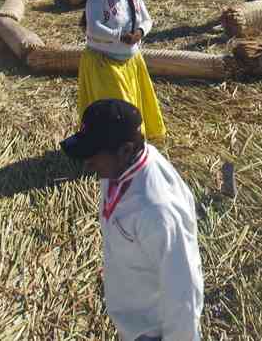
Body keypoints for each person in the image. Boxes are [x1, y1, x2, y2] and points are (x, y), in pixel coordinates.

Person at [61, 99, 203, 341]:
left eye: (94, 155)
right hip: (133, 321)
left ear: (125, 150)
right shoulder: (119, 167)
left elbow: (183, 291)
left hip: (153, 332)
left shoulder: (157, 210)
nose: (87, 162)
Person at [80, 0, 167, 141]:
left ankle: (133, 141)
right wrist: (119, 36)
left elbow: (147, 19)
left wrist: (140, 33)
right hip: (105, 64)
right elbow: (93, 28)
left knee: (132, 105)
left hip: (131, 61)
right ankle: (117, 145)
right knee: (119, 106)